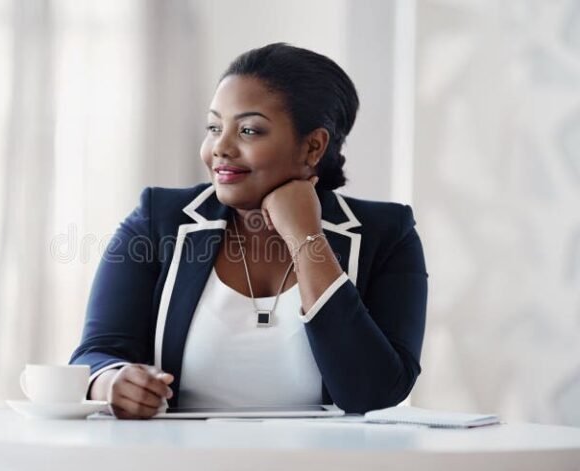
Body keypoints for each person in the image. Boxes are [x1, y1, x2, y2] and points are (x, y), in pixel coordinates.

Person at [69, 42, 428, 419]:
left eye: (249, 130)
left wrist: (306, 238)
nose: (220, 147)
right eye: (213, 127)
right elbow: (97, 351)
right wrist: (113, 382)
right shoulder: (159, 219)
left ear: (313, 146)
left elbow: (374, 392)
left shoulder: (388, 234)